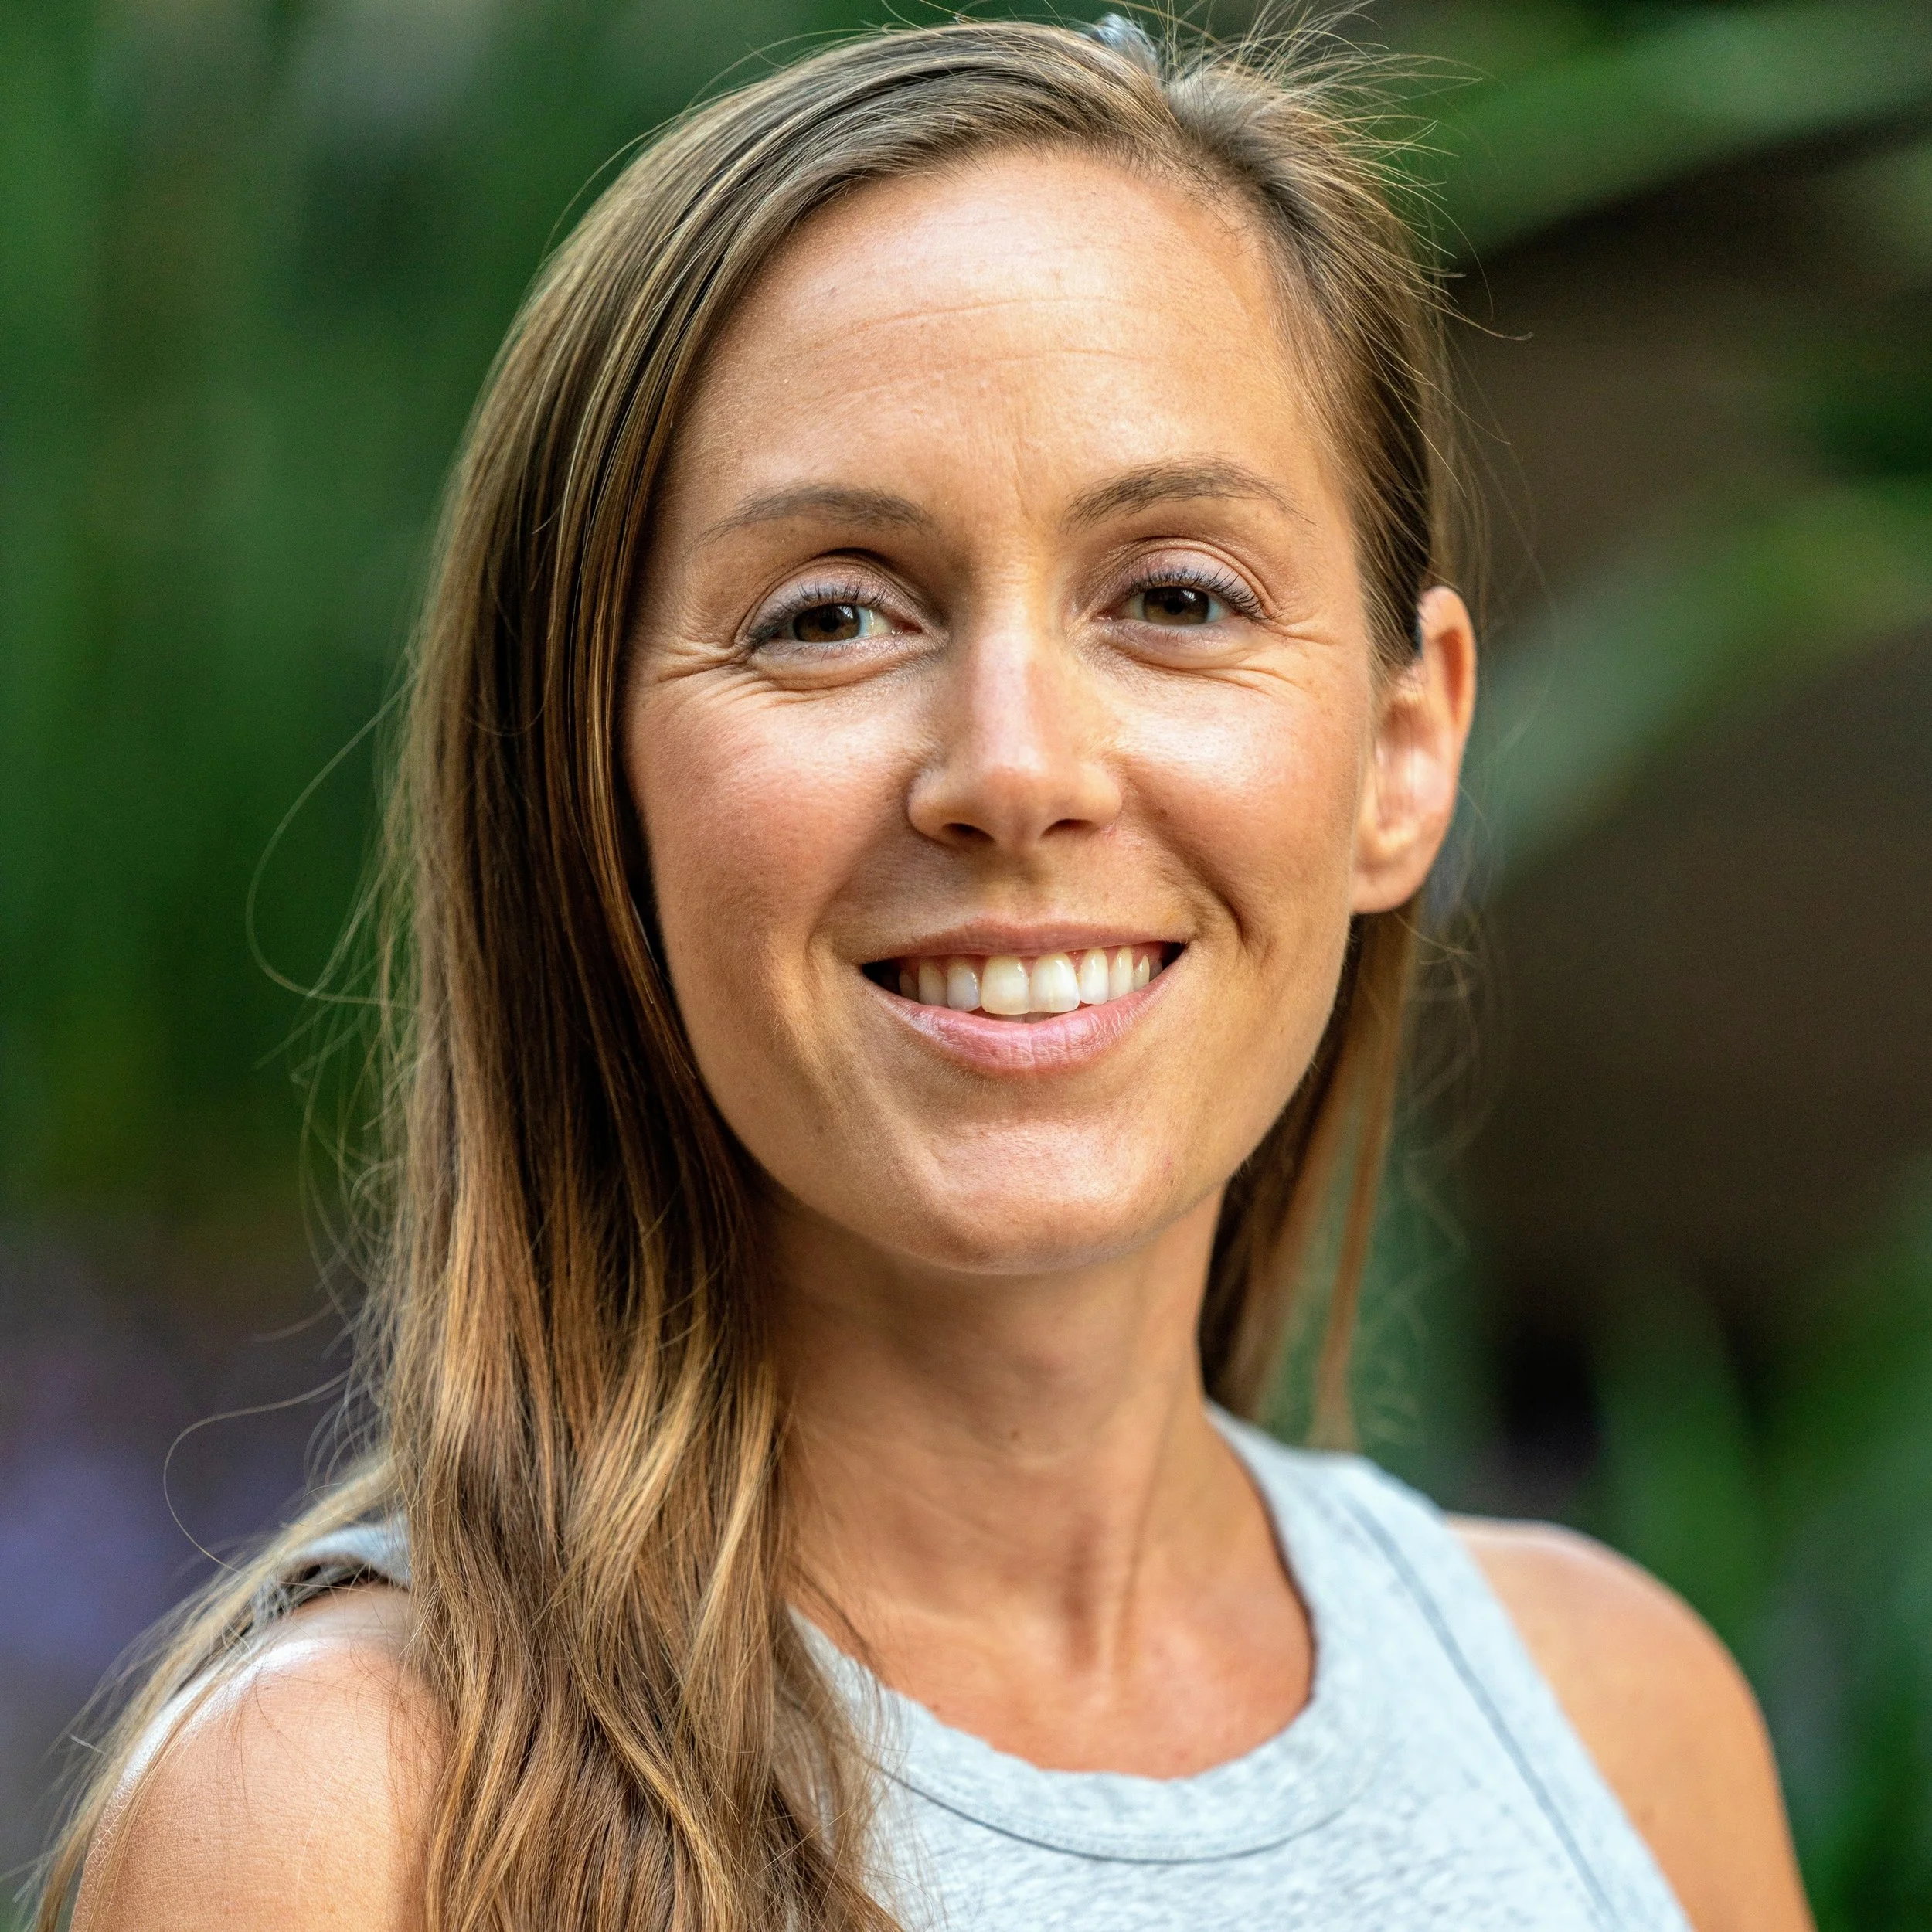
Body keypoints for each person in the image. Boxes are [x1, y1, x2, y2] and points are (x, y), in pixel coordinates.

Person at [43, 15, 1814, 1931]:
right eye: (828, 615)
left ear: (1402, 751)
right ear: (584, 782)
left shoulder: (1619, 1729)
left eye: (1175, 596)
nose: (1014, 768)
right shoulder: (346, 1822)